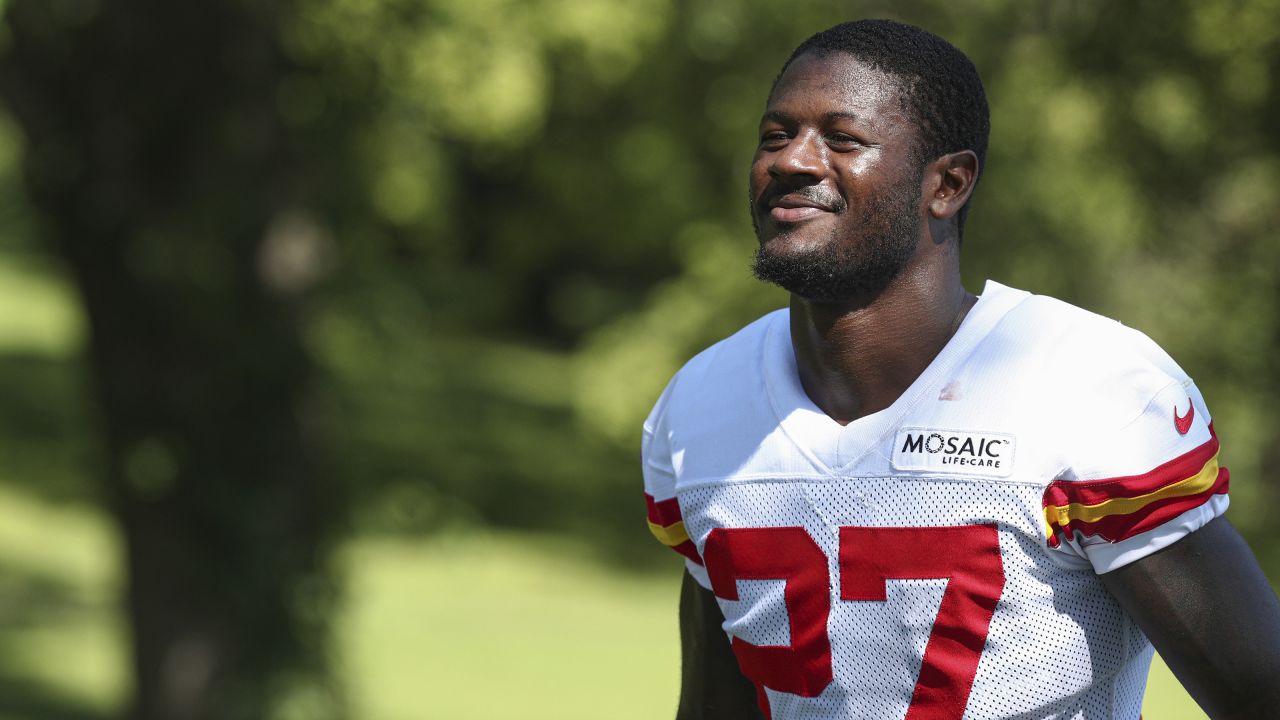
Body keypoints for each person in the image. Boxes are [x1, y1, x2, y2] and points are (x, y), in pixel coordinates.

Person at [640, 19, 1280, 720]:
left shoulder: (1085, 388)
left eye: (842, 139)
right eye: (774, 135)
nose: (792, 160)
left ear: (947, 184)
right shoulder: (702, 404)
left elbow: (1258, 693)